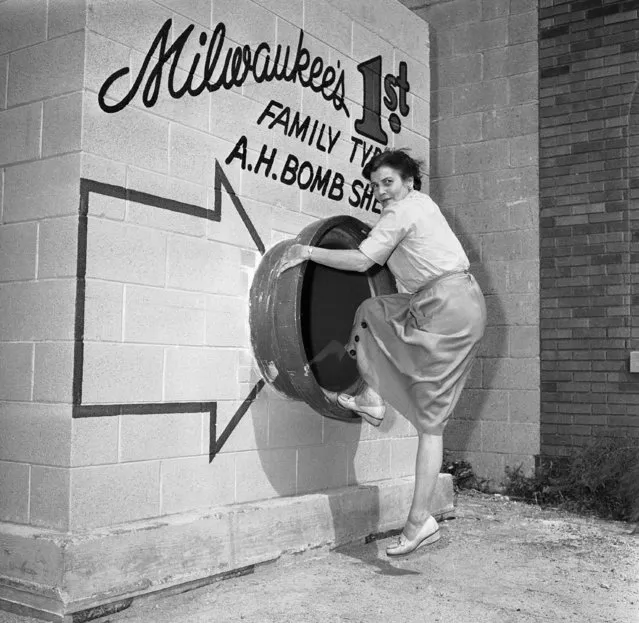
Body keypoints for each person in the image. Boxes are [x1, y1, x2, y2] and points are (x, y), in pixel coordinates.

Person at [279, 149, 486, 557]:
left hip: (447, 306)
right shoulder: (421, 205)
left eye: (387, 182)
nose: (379, 191)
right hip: (445, 302)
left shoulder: (403, 211)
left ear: (408, 182)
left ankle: (418, 521)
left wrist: (306, 252)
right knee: (375, 312)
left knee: (430, 424)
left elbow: (362, 260)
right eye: (374, 185)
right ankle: (374, 398)